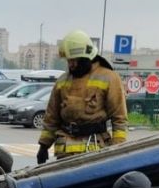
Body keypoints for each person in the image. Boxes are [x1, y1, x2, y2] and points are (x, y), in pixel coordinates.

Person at [36, 29, 127, 164]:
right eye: (68, 61)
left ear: (85, 58)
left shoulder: (109, 78)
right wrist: (43, 146)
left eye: (74, 61)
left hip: (95, 149)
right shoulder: (62, 81)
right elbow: (51, 117)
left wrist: (117, 149)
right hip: (65, 152)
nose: (70, 65)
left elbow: (119, 119)